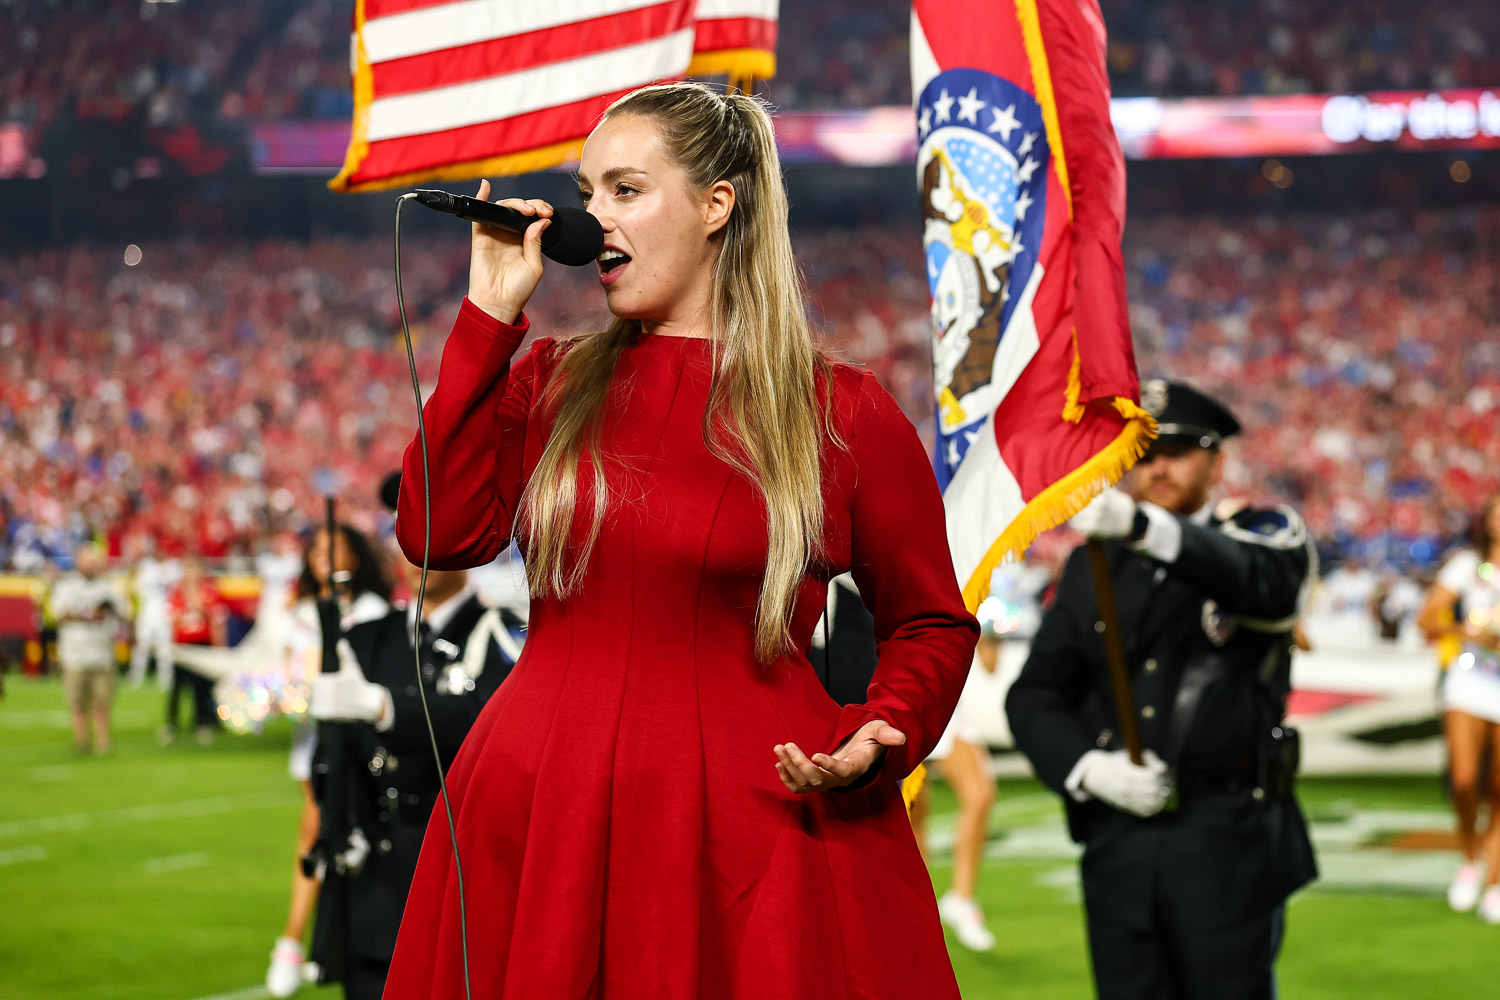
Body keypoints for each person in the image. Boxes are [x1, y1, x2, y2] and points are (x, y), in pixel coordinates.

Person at [382, 82, 978, 999]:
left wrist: (880, 729)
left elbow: (932, 621)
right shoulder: (544, 376)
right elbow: (435, 533)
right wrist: (487, 318)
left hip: (753, 818)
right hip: (542, 802)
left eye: (625, 189)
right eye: (587, 193)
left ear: (717, 205)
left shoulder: (842, 411)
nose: (591, 218)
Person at [1006, 379, 1318, 1000]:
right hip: (1119, 844)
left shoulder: (1261, 532)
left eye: (1175, 450)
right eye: (1141, 454)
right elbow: (1034, 694)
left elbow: (1266, 586)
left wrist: (1144, 526)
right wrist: (1087, 768)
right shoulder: (1094, 566)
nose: (1157, 466)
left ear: (1216, 459)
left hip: (1229, 836)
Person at [307, 549, 518, 1000]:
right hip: (374, 888)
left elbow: (489, 720)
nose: (420, 555)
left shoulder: (505, 630)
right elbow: (331, 760)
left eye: (437, 538)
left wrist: (383, 706)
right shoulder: (364, 638)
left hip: (459, 878)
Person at [263, 522, 395, 998]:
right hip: (312, 744)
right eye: (318, 548)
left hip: (363, 743)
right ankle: (300, 942)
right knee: (319, 831)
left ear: (356, 556)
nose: (325, 556)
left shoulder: (373, 611)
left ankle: (298, 942)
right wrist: (271, 696)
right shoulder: (295, 612)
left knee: (327, 831)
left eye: (335, 548)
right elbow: (280, 674)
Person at [1416, 492, 1500, 922]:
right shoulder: (1469, 567)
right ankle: (1469, 856)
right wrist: (1468, 631)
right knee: (1465, 779)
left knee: (1499, 790)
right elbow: (1427, 618)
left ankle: (1496, 881)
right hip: (1469, 680)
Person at [911, 615, 1004, 952]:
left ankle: (961, 899)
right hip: (904, 696)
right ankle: (912, 913)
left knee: (980, 797)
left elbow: (990, 666)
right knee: (911, 815)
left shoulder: (964, 577)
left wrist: (991, 631)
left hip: (948, 704)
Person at [49, 544, 130, 754]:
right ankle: (82, 740)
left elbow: (124, 612)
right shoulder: (67, 585)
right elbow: (56, 614)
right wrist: (86, 616)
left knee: (102, 701)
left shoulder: (109, 586)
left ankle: (103, 742)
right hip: (74, 652)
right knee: (77, 702)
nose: (92, 566)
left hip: (102, 653)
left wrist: (107, 609)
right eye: (88, 561)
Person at [162, 556, 228, 745]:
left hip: (202, 644)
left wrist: (218, 646)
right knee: (177, 687)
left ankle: (203, 722)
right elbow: (172, 618)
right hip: (183, 646)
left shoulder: (208, 591)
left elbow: (217, 619)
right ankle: (171, 723)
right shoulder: (177, 593)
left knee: (202, 687)